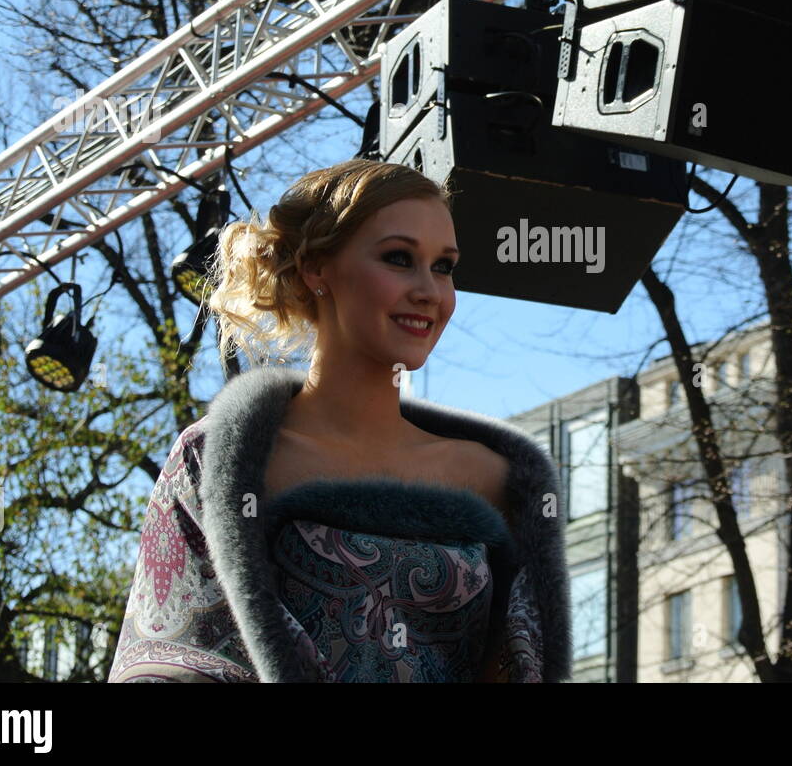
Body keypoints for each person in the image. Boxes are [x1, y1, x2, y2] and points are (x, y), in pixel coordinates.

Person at [107, 159, 571, 682]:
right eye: (399, 258)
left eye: (443, 266)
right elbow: (168, 662)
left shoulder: (494, 478)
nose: (429, 291)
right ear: (317, 269)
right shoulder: (218, 462)